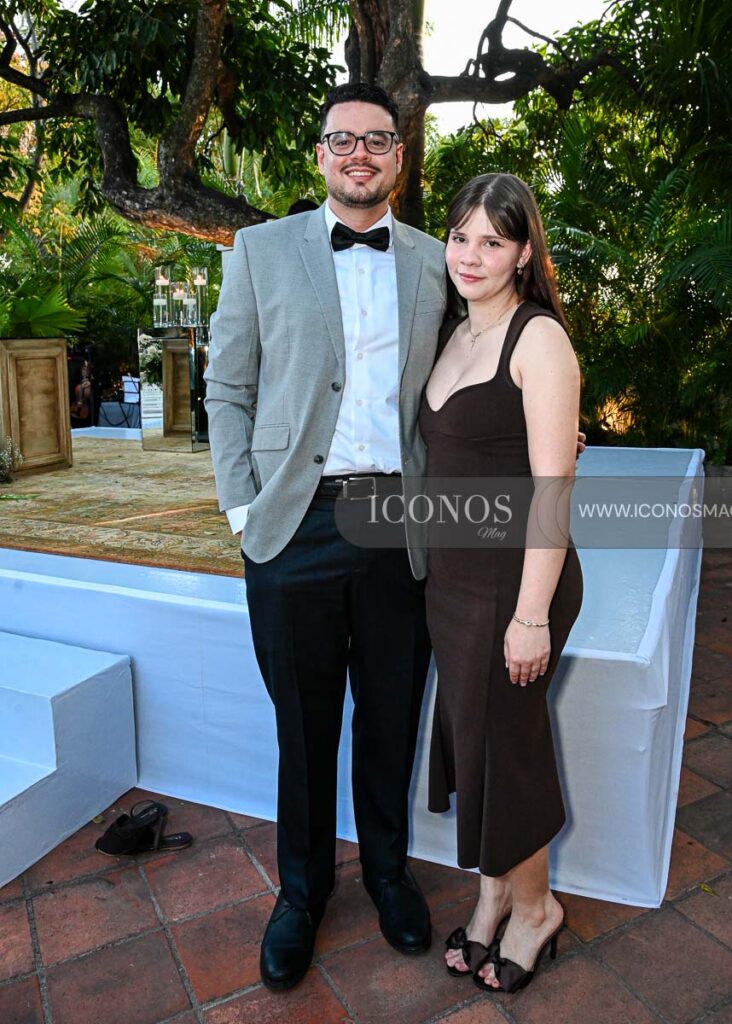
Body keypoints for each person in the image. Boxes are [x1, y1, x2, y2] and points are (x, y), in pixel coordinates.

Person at [204, 82, 448, 991]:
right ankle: (300, 894)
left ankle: (387, 875)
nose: (359, 155)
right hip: (292, 526)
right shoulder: (259, 250)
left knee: (390, 715)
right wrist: (242, 508)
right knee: (302, 728)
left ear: (399, 157)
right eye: (342, 140)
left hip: (397, 523)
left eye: (376, 140)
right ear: (320, 155)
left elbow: (472, 375)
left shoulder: (438, 262)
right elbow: (227, 387)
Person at [420, 173, 584, 994]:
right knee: (476, 746)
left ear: (523, 253)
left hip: (516, 584)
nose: (470, 254)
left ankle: (536, 910)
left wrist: (530, 617)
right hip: (452, 584)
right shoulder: (450, 332)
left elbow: (553, 490)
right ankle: (491, 897)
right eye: (459, 236)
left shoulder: (538, 339)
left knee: (503, 754)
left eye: (492, 240)